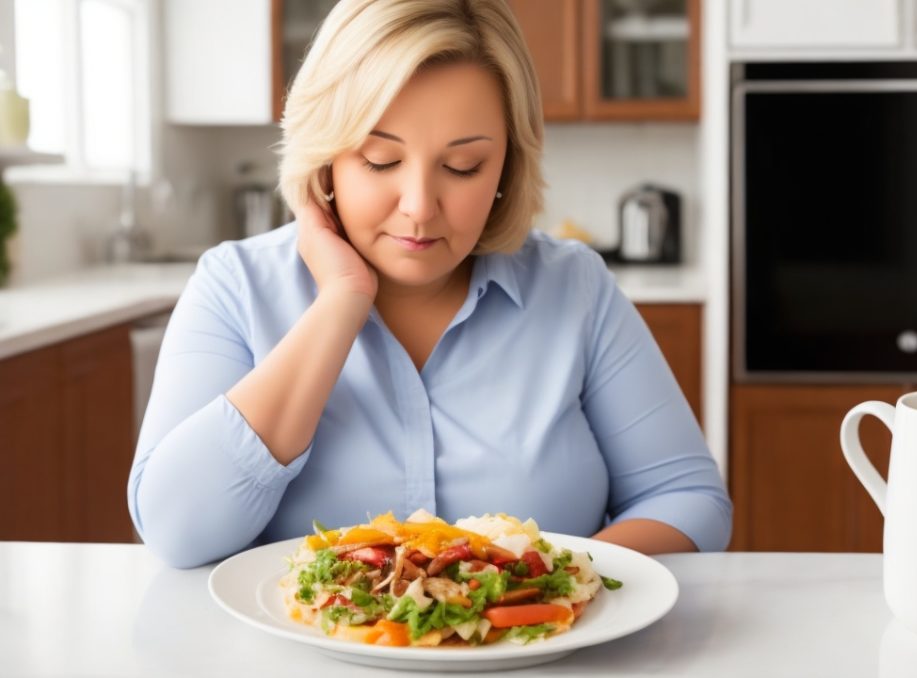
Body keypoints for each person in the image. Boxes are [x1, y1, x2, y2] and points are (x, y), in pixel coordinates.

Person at [128, 0, 732, 569]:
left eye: (463, 166)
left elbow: (687, 499)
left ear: (506, 167)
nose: (419, 207)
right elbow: (176, 532)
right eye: (380, 160)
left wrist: (544, 586)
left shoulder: (574, 288)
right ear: (327, 158)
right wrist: (341, 301)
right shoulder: (236, 287)